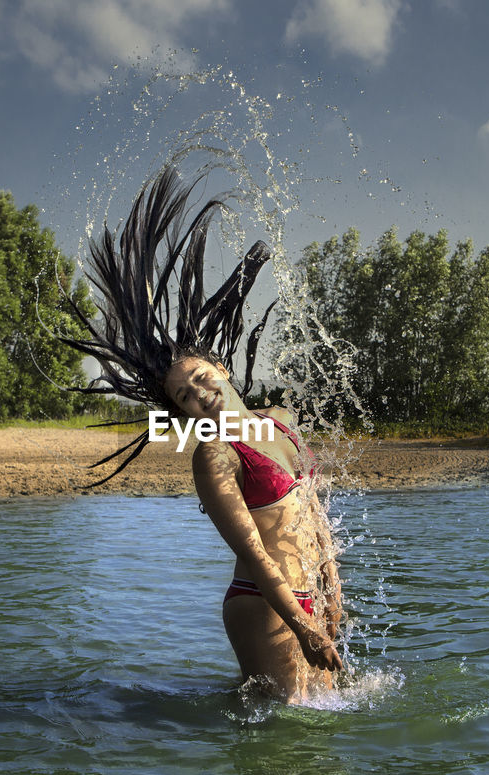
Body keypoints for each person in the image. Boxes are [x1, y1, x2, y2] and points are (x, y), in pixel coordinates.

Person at [57, 167, 344, 700]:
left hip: (311, 595)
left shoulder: (282, 420)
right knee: (282, 734)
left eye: (200, 377)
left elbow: (314, 513)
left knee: (318, 728)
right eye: (184, 395)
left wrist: (334, 593)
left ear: (223, 371)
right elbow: (254, 552)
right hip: (262, 603)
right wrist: (302, 626)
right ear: (183, 412)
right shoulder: (214, 455)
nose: (198, 392)